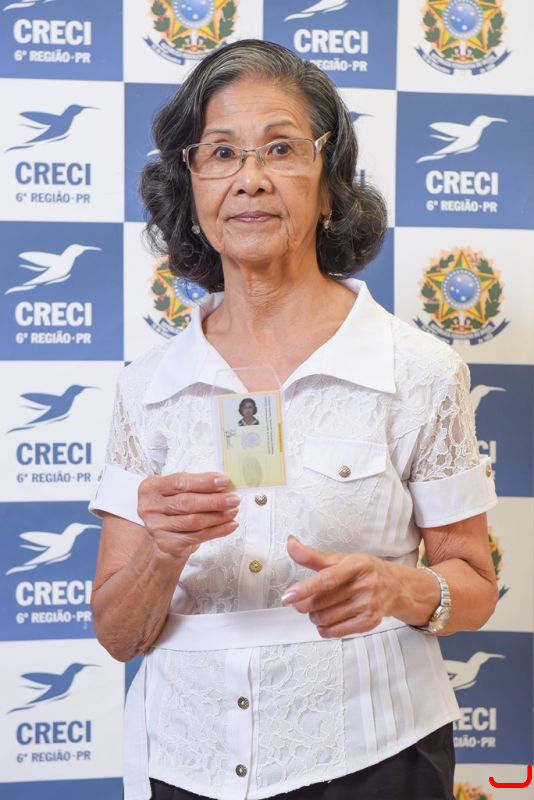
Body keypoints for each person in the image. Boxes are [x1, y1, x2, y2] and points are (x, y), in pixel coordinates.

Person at [90, 40, 498, 800]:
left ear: (330, 185)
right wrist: (162, 554)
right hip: (187, 762)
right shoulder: (145, 388)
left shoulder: (419, 370)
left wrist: (399, 589)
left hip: (377, 755)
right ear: (191, 188)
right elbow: (118, 635)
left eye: (280, 148)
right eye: (221, 153)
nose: (250, 178)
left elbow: (475, 584)